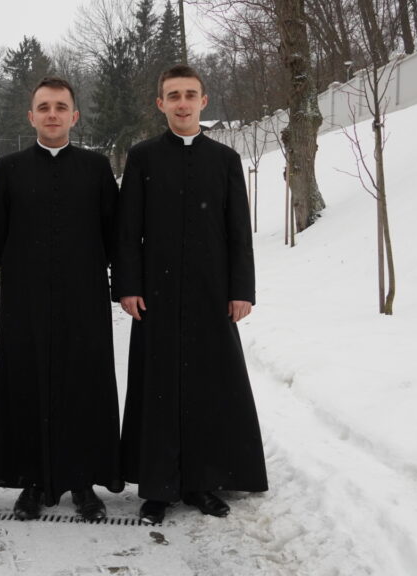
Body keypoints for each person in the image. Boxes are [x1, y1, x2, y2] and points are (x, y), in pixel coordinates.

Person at [114, 64, 268, 525]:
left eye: (189, 95)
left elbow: (238, 232)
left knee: (209, 387)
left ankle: (203, 481)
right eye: (173, 95)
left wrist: (242, 289)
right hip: (155, 296)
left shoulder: (225, 160)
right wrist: (128, 286)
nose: (182, 103)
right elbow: (128, 230)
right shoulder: (142, 158)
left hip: (211, 292)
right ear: (160, 103)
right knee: (157, 388)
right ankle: (157, 487)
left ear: (203, 101)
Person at [0, 76, 122, 522]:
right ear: (31, 116)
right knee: (27, 383)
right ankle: (32, 481)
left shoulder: (96, 168)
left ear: (74, 116)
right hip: (25, 297)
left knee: (83, 384)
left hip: (84, 296)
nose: (52, 114)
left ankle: (83, 482)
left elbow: (113, 230)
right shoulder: (9, 169)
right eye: (44, 107)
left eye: (61, 107)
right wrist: (27, 265)